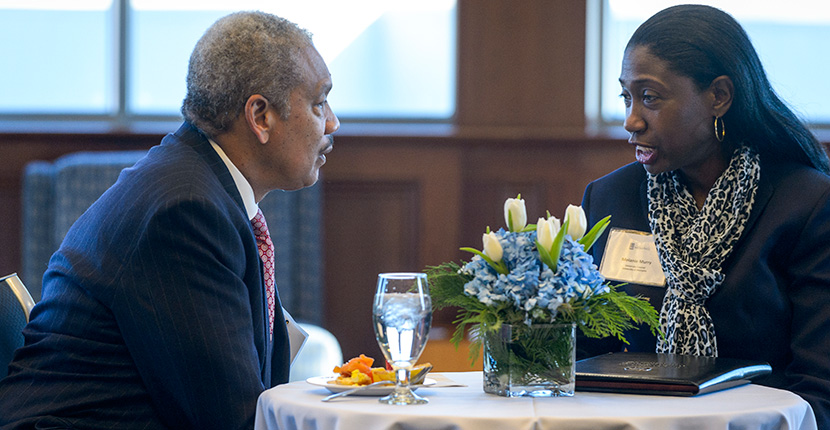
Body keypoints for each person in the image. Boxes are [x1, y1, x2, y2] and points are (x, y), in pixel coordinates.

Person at [0, 10, 339, 429]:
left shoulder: (199, 185)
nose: (332, 122)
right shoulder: (185, 211)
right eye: (319, 102)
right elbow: (230, 420)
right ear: (260, 116)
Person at [580, 4, 830, 427]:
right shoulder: (609, 199)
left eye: (650, 97)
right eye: (627, 97)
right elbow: (581, 359)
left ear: (719, 97)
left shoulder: (806, 204)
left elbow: (818, 390)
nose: (631, 121)